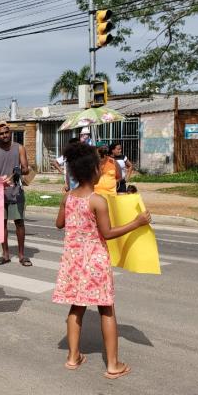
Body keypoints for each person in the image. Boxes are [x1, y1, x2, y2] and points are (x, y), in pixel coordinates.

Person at [53, 141, 151, 379]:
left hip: (73, 260)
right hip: (95, 261)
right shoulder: (98, 200)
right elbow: (107, 233)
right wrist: (136, 223)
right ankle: (113, 364)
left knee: (76, 307)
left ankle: (72, 357)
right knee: (106, 309)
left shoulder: (68, 198)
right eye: (99, 168)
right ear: (92, 171)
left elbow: (59, 224)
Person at [0, 122, 31, 267]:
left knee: (19, 222)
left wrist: (21, 171)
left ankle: (21, 255)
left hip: (16, 191)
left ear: (10, 133)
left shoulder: (19, 148)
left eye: (6, 132)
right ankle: (5, 254)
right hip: (0, 192)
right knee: (2, 224)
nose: (4, 135)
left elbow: (26, 169)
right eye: (1, 133)